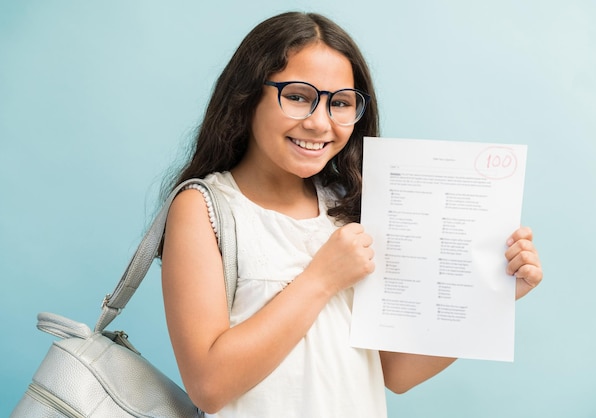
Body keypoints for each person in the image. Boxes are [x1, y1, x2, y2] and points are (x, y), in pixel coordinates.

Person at [159, 11, 543, 417]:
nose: (319, 122)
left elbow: (396, 372)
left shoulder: (353, 209)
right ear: (247, 94)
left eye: (340, 103)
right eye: (297, 96)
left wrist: (493, 295)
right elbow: (209, 386)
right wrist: (322, 279)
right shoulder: (204, 208)